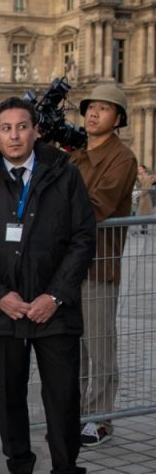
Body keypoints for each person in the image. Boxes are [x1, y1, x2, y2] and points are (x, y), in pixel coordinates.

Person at [0, 97, 97, 474]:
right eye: (5, 128)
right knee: (10, 395)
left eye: (21, 126)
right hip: (5, 311)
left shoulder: (64, 177)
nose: (14, 135)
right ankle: (18, 470)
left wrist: (56, 295)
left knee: (63, 396)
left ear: (35, 131)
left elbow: (82, 238)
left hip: (55, 310)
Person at [70, 84, 138, 448]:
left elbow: (99, 205)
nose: (93, 113)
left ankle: (101, 419)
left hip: (98, 265)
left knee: (99, 344)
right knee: (74, 347)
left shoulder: (122, 158)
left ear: (119, 118)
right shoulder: (75, 154)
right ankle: (77, 411)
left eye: (104, 108)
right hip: (68, 266)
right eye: (90, 107)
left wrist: (60, 213)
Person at [136, 164, 153, 233]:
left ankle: (144, 229)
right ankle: (143, 229)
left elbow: (147, 188)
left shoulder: (148, 177)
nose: (139, 170)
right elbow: (139, 185)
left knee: (144, 213)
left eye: (140, 169)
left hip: (145, 198)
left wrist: (140, 193)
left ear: (144, 169)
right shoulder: (141, 177)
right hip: (142, 198)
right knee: (142, 214)